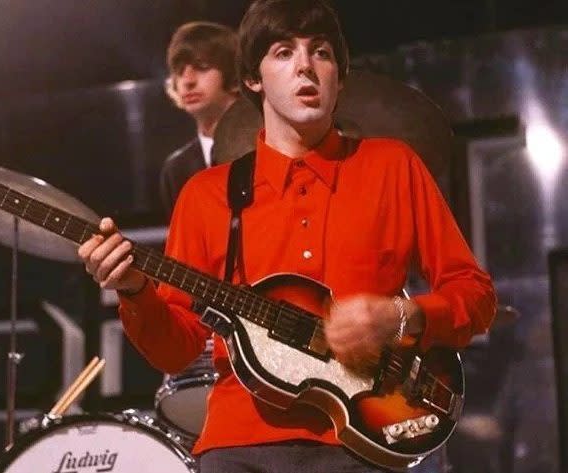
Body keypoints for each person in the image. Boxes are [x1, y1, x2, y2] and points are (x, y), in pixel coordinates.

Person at [78, 0, 497, 471]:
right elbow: (177, 350)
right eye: (282, 52)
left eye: (320, 52)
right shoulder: (205, 193)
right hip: (240, 445)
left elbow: (475, 296)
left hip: (367, 443)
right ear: (253, 79)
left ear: (339, 73)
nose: (305, 66)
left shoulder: (392, 166)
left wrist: (402, 315)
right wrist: (134, 290)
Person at [159, 21, 239, 218]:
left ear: (234, 74)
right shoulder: (176, 169)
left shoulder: (268, 148)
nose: (187, 81)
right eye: (179, 70)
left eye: (201, 66)